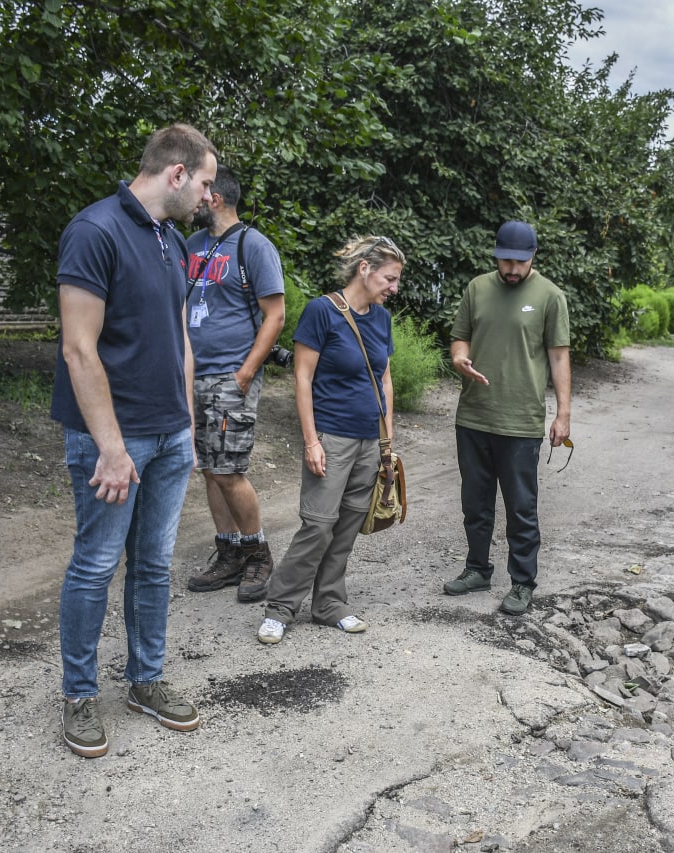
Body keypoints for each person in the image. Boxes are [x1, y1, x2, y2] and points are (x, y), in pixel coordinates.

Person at [51, 124, 217, 758]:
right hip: (112, 441)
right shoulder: (95, 231)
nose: (209, 195)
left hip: (170, 435)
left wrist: (188, 428)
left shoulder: (171, 241)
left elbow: (180, 340)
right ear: (176, 174)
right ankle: (79, 695)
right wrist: (112, 449)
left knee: (153, 566)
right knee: (95, 565)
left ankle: (145, 681)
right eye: (204, 183)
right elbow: (77, 347)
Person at [256, 235, 406, 645]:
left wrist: (387, 441)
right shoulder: (322, 312)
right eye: (389, 278)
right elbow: (301, 378)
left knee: (346, 526)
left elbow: (385, 380)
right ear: (365, 269)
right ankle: (280, 607)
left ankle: (328, 604)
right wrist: (311, 441)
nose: (394, 288)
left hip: (369, 441)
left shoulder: (381, 319)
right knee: (318, 525)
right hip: (331, 436)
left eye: (396, 280)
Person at [443, 220, 571, 616]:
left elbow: (559, 356)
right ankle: (477, 568)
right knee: (475, 501)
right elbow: (459, 337)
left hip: (521, 420)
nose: (512, 269)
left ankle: (522, 581)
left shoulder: (550, 297)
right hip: (474, 415)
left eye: (520, 262)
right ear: (496, 255)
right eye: (505, 261)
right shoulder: (477, 288)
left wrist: (563, 413)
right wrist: (459, 358)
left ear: (534, 256)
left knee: (520, 507)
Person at [183, 165, 286, 602]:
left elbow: (275, 315)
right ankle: (229, 553)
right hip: (193, 374)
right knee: (210, 468)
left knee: (229, 470)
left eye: (201, 192)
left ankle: (258, 553)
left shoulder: (253, 246)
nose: (194, 199)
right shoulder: (190, 245)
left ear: (216, 199)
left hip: (231, 374)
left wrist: (245, 373)